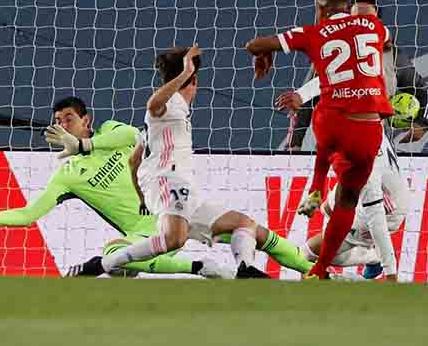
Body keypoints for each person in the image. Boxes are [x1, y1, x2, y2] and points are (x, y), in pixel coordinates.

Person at [72, 47, 315, 279]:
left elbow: (134, 160)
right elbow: (152, 106)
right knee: (174, 239)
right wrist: (187, 72)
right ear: (194, 81)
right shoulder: (170, 104)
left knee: (245, 224)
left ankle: (245, 268)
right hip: (168, 181)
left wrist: (142, 198)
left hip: (183, 189)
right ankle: (102, 264)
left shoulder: (166, 120)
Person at [0, 96, 231, 278]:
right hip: (146, 234)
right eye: (58, 121)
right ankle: (199, 267)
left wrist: (86, 145)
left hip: (178, 211)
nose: (62, 125)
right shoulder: (67, 175)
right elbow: (28, 215)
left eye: (68, 118)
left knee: (247, 233)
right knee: (114, 254)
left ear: (87, 120)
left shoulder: (111, 132)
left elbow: (135, 134)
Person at [246, 0, 394, 279]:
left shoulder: (312, 33)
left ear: (321, 8)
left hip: (333, 124)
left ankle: (315, 186)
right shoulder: (374, 26)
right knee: (348, 200)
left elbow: (254, 44)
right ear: (347, 5)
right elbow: (386, 39)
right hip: (369, 129)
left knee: (326, 124)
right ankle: (320, 269)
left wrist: (264, 55)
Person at [276, 0, 415, 280]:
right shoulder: (349, 74)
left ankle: (371, 258)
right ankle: (349, 261)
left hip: (384, 208)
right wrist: (301, 99)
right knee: (332, 210)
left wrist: (391, 272)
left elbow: (376, 215)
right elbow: (328, 82)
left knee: (310, 252)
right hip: (368, 123)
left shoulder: (385, 56)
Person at [284, 0, 428, 150]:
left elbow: (424, 91)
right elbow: (305, 103)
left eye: (368, 19)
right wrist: (293, 146)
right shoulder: (329, 56)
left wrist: (422, 123)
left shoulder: (392, 56)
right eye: (356, 18)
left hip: (378, 148)